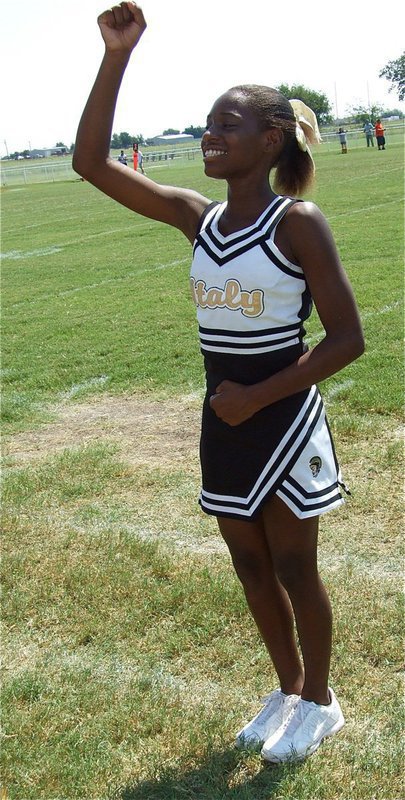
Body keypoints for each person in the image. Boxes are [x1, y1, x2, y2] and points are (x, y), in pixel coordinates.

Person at [73, 1, 364, 764]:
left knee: (296, 564)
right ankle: (287, 686)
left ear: (268, 140)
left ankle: (321, 702)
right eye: (206, 124)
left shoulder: (296, 222)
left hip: (281, 415)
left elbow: (346, 339)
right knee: (247, 562)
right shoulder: (196, 219)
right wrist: (116, 57)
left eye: (225, 125)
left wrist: (256, 398)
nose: (209, 134)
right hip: (223, 416)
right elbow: (90, 163)